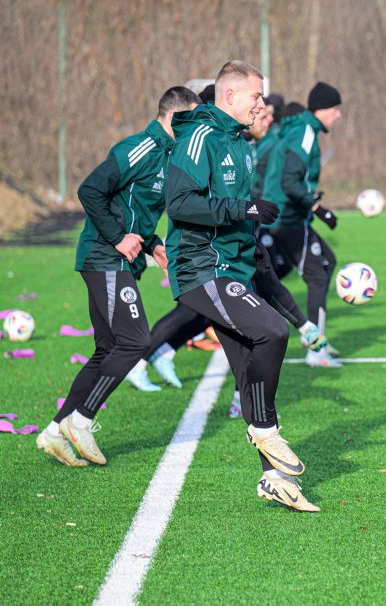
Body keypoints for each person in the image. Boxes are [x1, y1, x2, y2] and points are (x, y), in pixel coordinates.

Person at [166, 60, 318, 512]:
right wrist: (244, 210)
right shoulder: (200, 136)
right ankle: (266, 430)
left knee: (250, 365)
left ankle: (274, 478)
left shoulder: (241, 143)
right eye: (256, 96)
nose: (262, 104)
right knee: (272, 332)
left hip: (231, 264)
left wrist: (252, 246)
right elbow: (180, 202)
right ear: (229, 96)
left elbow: (235, 211)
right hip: (200, 267)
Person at [36, 86, 201, 467]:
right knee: (134, 340)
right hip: (104, 256)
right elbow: (90, 189)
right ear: (176, 117)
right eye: (193, 120)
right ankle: (82, 419)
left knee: (107, 349)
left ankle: (55, 430)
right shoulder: (139, 147)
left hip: (118, 258)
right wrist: (117, 238)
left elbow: (135, 213)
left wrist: (151, 242)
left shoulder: (168, 155)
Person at [261, 82, 343, 368]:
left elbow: (294, 179)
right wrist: (318, 208)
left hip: (288, 215)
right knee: (317, 276)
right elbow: (289, 181)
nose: (338, 115)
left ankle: (315, 337)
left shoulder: (302, 129)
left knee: (327, 263)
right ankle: (315, 349)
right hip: (287, 218)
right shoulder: (305, 133)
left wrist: (311, 199)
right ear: (321, 109)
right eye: (335, 109)